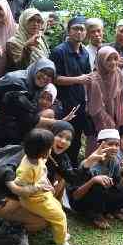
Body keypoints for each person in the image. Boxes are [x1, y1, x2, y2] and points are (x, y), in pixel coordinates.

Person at [12, 129, 78, 245]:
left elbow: (42, 173)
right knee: (60, 217)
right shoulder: (26, 169)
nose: (51, 150)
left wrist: (47, 185)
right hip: (34, 200)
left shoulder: (37, 159)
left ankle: (59, 234)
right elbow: (19, 185)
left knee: (58, 208)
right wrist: (37, 186)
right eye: (49, 148)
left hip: (43, 195)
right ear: (42, 151)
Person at [0, 58, 58, 152]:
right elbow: (28, 118)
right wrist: (58, 123)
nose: (45, 77)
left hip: (9, 121)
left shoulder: (34, 83)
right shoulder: (18, 83)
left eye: (49, 75)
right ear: (36, 69)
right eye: (43, 72)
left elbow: (54, 102)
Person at [69, 129, 123, 229]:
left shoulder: (113, 161)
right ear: (99, 145)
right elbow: (76, 196)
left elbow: (119, 186)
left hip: (103, 196)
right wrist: (93, 180)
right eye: (110, 144)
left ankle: (108, 210)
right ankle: (96, 215)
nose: (114, 148)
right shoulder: (88, 163)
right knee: (98, 185)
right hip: (82, 201)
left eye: (117, 145)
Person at [50, 17, 93, 166]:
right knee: (60, 137)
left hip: (79, 102)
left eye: (82, 29)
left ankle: (72, 170)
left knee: (76, 139)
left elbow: (88, 77)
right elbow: (54, 78)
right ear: (69, 31)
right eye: (76, 28)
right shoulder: (59, 51)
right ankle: (55, 169)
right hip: (63, 102)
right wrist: (77, 80)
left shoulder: (85, 52)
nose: (79, 32)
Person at [86, 46, 123, 157]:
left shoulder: (119, 74)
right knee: (100, 150)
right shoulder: (94, 79)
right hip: (99, 123)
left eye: (115, 59)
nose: (113, 62)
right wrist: (109, 124)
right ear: (101, 60)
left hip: (118, 116)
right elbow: (96, 109)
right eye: (108, 59)